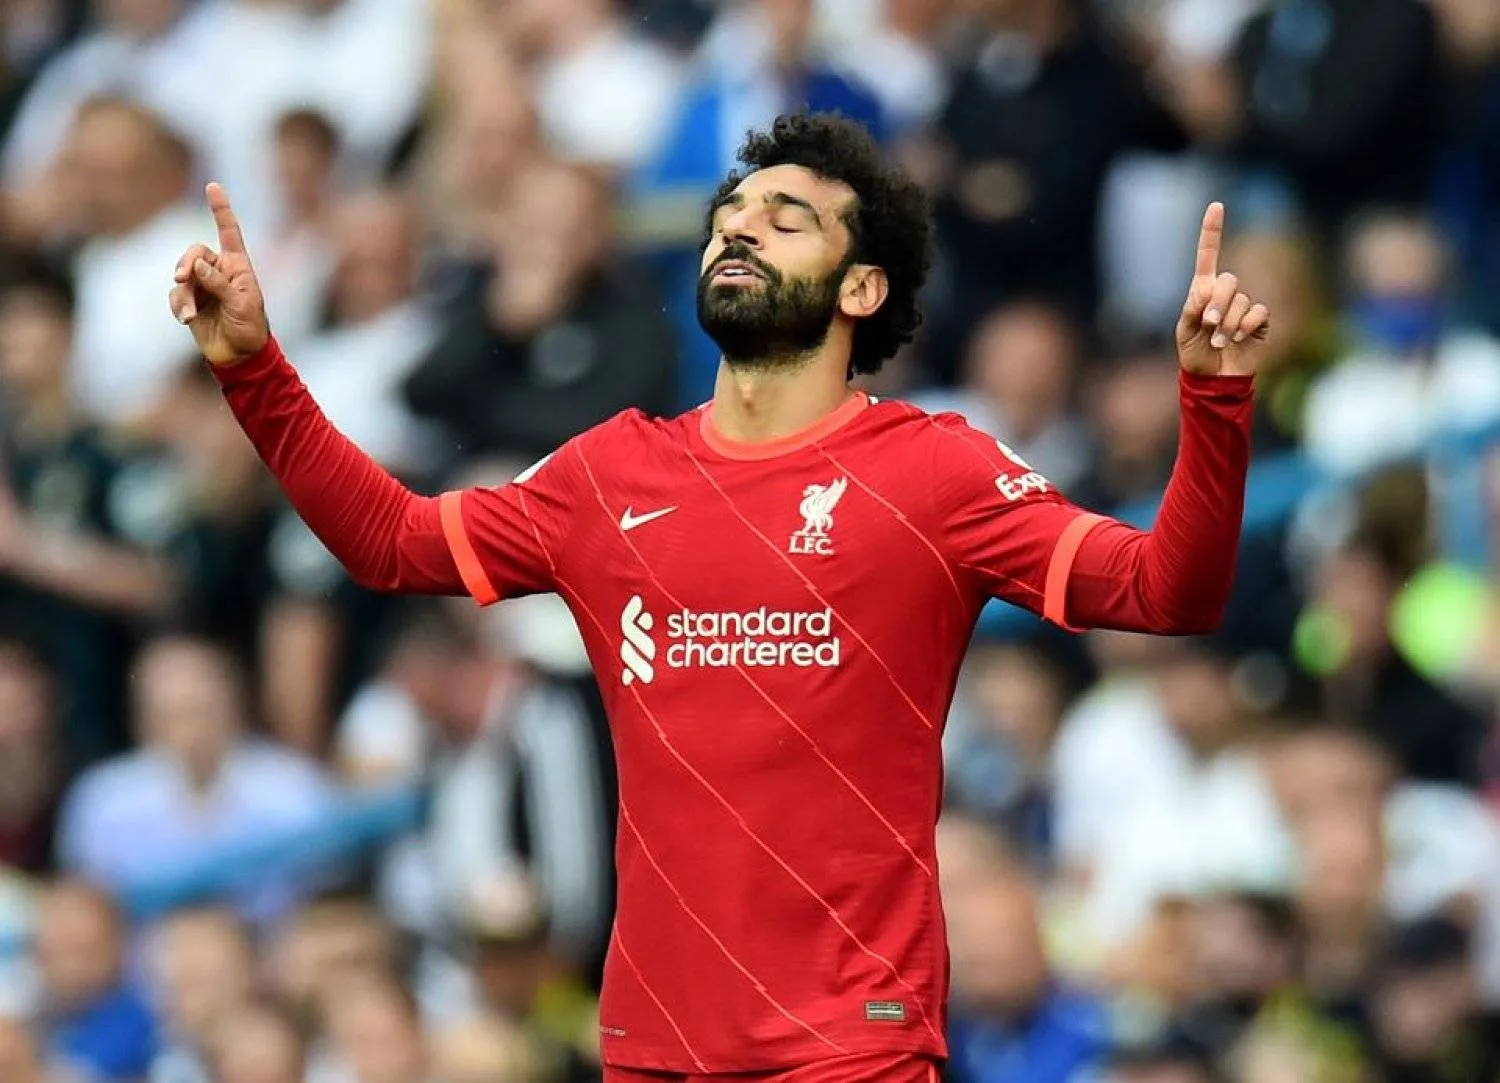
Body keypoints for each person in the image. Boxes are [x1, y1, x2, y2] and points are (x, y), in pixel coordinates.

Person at [167, 112, 1269, 1082]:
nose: (739, 228)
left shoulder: (938, 472)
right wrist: (255, 369)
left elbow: (1167, 591)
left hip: (851, 1041)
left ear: (862, 287)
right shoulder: (610, 474)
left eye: (786, 218)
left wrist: (1214, 404)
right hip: (655, 1042)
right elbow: (390, 542)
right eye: (730, 212)